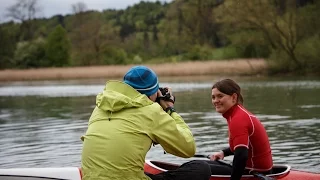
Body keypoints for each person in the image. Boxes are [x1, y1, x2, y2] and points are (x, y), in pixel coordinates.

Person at [81, 65, 211, 180]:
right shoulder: (151, 111)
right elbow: (188, 148)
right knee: (200, 168)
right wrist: (169, 109)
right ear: (151, 94)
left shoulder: (99, 108)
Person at [208, 79, 273, 180]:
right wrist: (223, 153)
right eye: (213, 97)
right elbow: (243, 147)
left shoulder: (238, 118)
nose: (216, 100)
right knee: (201, 164)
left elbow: (241, 155)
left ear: (234, 97)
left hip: (255, 172)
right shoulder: (237, 114)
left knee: (199, 167)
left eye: (220, 96)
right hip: (254, 169)